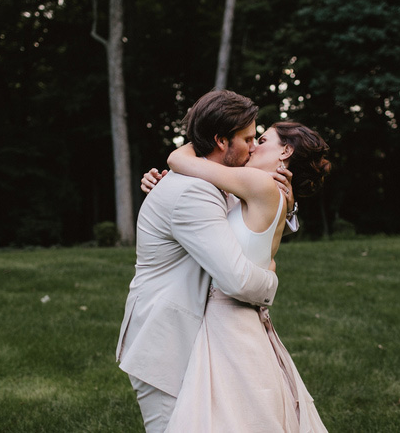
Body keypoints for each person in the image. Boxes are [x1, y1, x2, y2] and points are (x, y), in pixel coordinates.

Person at [116, 90, 296, 433]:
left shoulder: (211, 182)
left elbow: (241, 231)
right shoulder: (191, 193)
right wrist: (270, 277)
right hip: (167, 343)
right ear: (220, 141)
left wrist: (285, 206)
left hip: (199, 338)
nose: (254, 147)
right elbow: (240, 281)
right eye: (246, 139)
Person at [163, 120, 331, 432]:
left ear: (285, 150)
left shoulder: (257, 184)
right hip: (239, 318)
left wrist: (203, 125)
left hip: (228, 321)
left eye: (262, 139)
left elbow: (177, 160)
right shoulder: (260, 190)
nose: (252, 146)